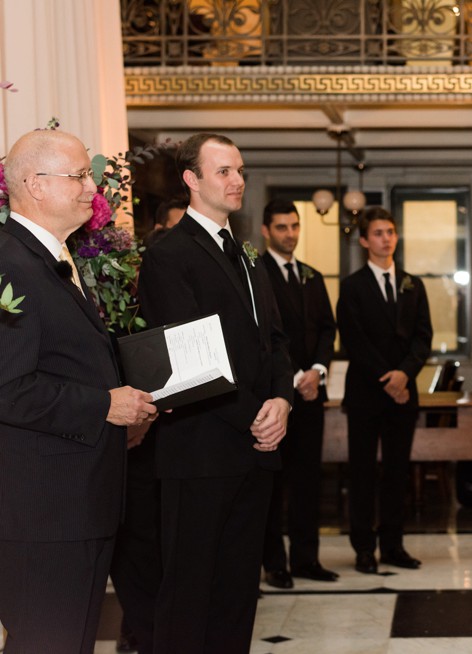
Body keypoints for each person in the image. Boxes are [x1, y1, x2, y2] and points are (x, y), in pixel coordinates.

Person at [0, 129, 157, 652]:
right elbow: (8, 388)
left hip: (75, 503)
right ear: (35, 185)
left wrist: (126, 400)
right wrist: (104, 406)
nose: (92, 186)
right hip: (44, 513)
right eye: (79, 175)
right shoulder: (11, 264)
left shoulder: (53, 259)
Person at [137, 133, 294, 653]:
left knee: (236, 593)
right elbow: (189, 362)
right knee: (188, 594)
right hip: (200, 450)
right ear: (191, 180)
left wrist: (282, 401)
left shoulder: (247, 254)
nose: (237, 181)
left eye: (240, 170)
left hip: (253, 449)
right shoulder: (168, 254)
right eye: (223, 170)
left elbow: (274, 338)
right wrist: (257, 415)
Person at [336, 207, 432, 575]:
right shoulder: (352, 286)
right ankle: (364, 548)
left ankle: (393, 545)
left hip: (403, 394)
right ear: (364, 240)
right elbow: (354, 340)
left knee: (396, 472)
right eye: (377, 233)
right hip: (366, 394)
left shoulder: (413, 284)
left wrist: (404, 375)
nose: (386, 238)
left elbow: (423, 337)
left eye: (390, 231)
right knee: (362, 473)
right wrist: (387, 378)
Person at [260, 199, 339, 587]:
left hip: (312, 395)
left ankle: (307, 559)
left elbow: (327, 329)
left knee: (309, 481)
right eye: (281, 227)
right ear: (265, 231)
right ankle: (275, 563)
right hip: (275, 396)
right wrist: (291, 378)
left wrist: (317, 372)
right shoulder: (255, 273)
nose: (289, 234)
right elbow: (262, 337)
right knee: (273, 485)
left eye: (294, 226)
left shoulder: (312, 275)